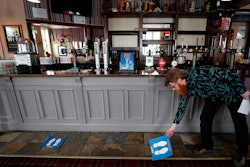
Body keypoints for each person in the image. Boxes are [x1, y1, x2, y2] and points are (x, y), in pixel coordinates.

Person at [164, 65, 249, 167]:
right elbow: (182, 107)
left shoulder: (198, 73)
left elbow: (229, 74)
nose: (173, 89)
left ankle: (242, 153)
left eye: (173, 86)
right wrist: (173, 127)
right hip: (213, 96)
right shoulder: (184, 89)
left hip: (231, 93)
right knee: (205, 118)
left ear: (179, 79)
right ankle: (207, 145)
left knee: (240, 123)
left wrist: (242, 91)